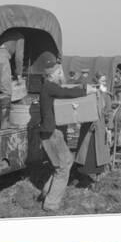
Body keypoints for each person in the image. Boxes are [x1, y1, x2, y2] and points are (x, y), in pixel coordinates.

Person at [39, 59, 86, 211]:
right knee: (63, 169)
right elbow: (66, 93)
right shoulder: (49, 87)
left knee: (67, 161)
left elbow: (64, 91)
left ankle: (46, 191)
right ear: (54, 74)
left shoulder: (48, 87)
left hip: (53, 132)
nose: (62, 75)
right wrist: (86, 91)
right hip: (51, 133)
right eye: (60, 72)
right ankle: (51, 204)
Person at [0, 30, 25, 129]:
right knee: (5, 91)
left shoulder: (2, 31)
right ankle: (5, 123)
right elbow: (19, 58)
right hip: (2, 57)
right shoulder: (19, 36)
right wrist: (19, 75)